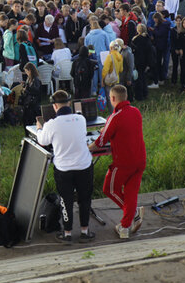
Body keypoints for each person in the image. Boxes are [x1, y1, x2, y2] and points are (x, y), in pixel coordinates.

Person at [36, 90, 95, 243]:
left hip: (64, 169)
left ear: (55, 106)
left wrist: (39, 128)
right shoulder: (81, 119)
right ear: (69, 103)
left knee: (66, 200)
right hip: (84, 166)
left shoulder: (52, 124)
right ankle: (85, 231)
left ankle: (67, 233)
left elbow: (43, 140)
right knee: (85, 198)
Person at [89, 84, 146, 238]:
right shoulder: (136, 112)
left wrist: (86, 148)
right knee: (131, 193)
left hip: (123, 163)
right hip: (140, 160)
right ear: (125, 97)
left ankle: (132, 215)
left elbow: (100, 142)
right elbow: (125, 130)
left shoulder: (114, 117)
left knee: (110, 189)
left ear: (112, 99)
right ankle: (125, 227)